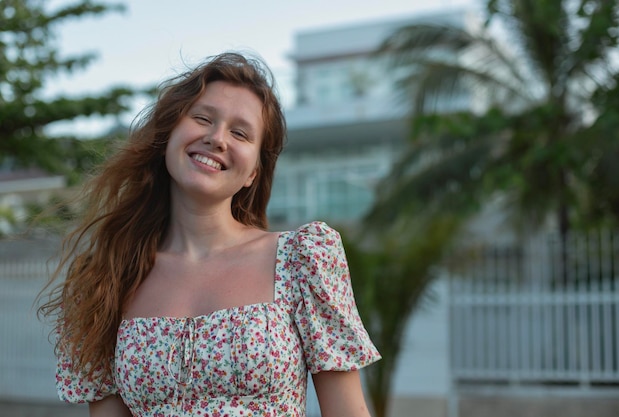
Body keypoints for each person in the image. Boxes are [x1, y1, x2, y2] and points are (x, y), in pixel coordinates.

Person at [39, 51, 381, 416]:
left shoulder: (302, 260)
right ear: (168, 136)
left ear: (253, 172)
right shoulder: (107, 278)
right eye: (202, 118)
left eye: (240, 133)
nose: (217, 139)